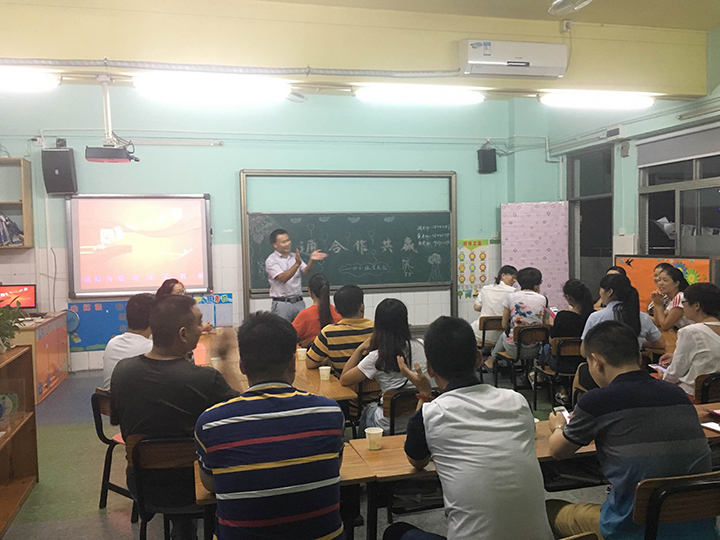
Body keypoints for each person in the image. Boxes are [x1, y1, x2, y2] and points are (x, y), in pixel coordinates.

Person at [383, 316, 554, 540]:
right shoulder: (517, 401)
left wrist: (424, 395)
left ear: (430, 368)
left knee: (396, 533)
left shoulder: (430, 414)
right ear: (478, 359)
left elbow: (417, 461)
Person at [546, 320, 716, 540]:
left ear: (596, 361)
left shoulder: (597, 401)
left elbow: (558, 451)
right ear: (638, 357)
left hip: (633, 532)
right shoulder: (677, 395)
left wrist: (558, 425)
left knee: (548, 510)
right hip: (700, 532)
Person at [195, 312, 345, 540]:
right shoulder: (330, 413)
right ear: (293, 363)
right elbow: (335, 465)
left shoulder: (211, 424)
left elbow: (211, 484)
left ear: (242, 366)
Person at [110, 295, 239, 540]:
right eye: (199, 322)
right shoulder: (205, 379)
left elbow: (119, 423)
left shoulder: (122, 372)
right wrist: (225, 362)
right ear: (182, 334)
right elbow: (244, 412)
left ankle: (183, 528)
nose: (202, 327)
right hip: (195, 486)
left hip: (142, 485)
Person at [339, 298, 428, 434]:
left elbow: (344, 379)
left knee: (368, 410)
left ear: (378, 325)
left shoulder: (377, 356)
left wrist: (360, 349)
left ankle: (364, 444)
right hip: (419, 419)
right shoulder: (421, 345)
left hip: (388, 425)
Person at [660, 283, 720, 396]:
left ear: (696, 306)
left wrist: (662, 374)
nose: (683, 307)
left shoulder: (690, 332)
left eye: (684, 302)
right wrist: (675, 357)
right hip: (714, 395)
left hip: (692, 395)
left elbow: (673, 374)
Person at [486, 267, 549, 370]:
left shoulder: (511, 297)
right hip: (535, 350)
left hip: (514, 350)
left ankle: (491, 360)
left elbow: (504, 325)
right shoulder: (543, 299)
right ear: (538, 283)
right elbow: (542, 323)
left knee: (504, 334)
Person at [583, 273, 665, 350]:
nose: (600, 293)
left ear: (610, 292)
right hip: (633, 360)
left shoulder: (596, 317)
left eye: (601, 289)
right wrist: (639, 343)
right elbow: (661, 344)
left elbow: (584, 350)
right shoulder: (642, 317)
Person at [265, 228, 327, 323]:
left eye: (288, 240)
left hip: (299, 302)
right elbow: (283, 278)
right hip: (282, 304)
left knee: (301, 330)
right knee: (281, 330)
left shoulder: (295, 256)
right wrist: (297, 264)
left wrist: (311, 260)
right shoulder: (271, 260)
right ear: (275, 245)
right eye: (283, 242)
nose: (287, 244)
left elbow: (306, 270)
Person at [306, 284, 374, 370]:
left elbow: (310, 363)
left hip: (339, 378)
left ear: (336, 310)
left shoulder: (328, 333)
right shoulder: (376, 329)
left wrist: (326, 361)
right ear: (362, 307)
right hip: (371, 378)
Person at [538, 279, 594, 373]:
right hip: (585, 362)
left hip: (560, 364)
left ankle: (540, 377)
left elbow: (552, 340)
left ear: (568, 297)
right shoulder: (593, 316)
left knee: (546, 347)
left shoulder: (562, 316)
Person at [101, 293, 154, 391]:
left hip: (111, 400)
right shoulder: (152, 349)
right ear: (154, 320)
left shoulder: (112, 343)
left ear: (126, 317)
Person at [471, 265, 517, 344]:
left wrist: (488, 306)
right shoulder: (513, 292)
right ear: (503, 275)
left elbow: (476, 307)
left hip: (480, 334)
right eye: (513, 277)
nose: (514, 280)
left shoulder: (485, 288)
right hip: (500, 336)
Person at [292, 273, 341, 346]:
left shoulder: (305, 315)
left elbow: (290, 335)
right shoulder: (337, 313)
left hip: (310, 352)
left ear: (310, 291)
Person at [651, 266, 691, 331]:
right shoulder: (672, 299)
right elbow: (658, 323)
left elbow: (665, 326)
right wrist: (656, 302)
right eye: (659, 280)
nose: (660, 283)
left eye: (665, 280)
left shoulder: (680, 298)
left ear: (676, 283)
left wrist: (658, 305)